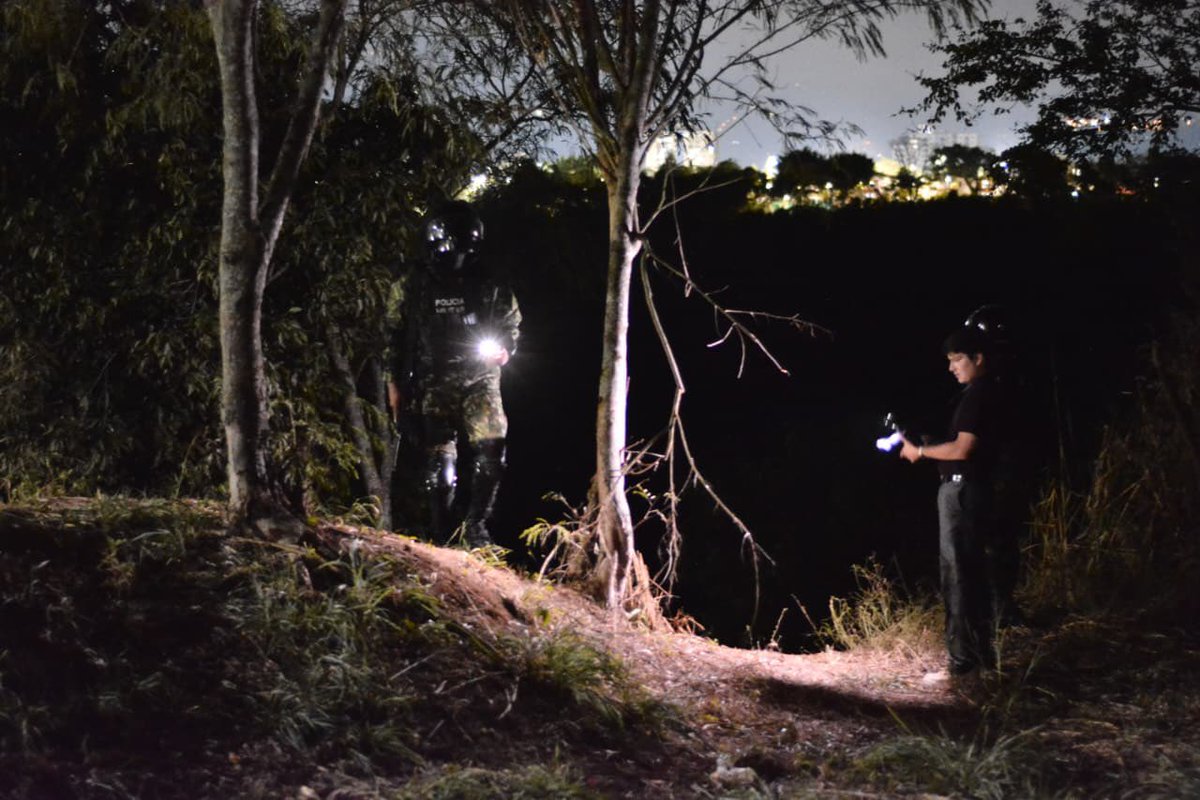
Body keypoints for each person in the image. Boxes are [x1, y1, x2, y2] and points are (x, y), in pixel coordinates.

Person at [386, 200, 520, 547]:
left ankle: (476, 527)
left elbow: (510, 324)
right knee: (439, 466)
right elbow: (392, 335)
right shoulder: (413, 284)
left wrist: (506, 349)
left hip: (481, 378)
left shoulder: (490, 282)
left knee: (493, 452)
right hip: (433, 381)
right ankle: (443, 537)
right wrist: (395, 386)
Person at [900, 325, 1010, 677]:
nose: (952, 368)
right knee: (975, 573)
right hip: (976, 490)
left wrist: (919, 451)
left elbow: (963, 448)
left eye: (958, 359)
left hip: (963, 493)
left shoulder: (978, 395)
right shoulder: (987, 393)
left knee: (959, 574)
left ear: (979, 358)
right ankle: (980, 659)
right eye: (949, 361)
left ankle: (963, 664)